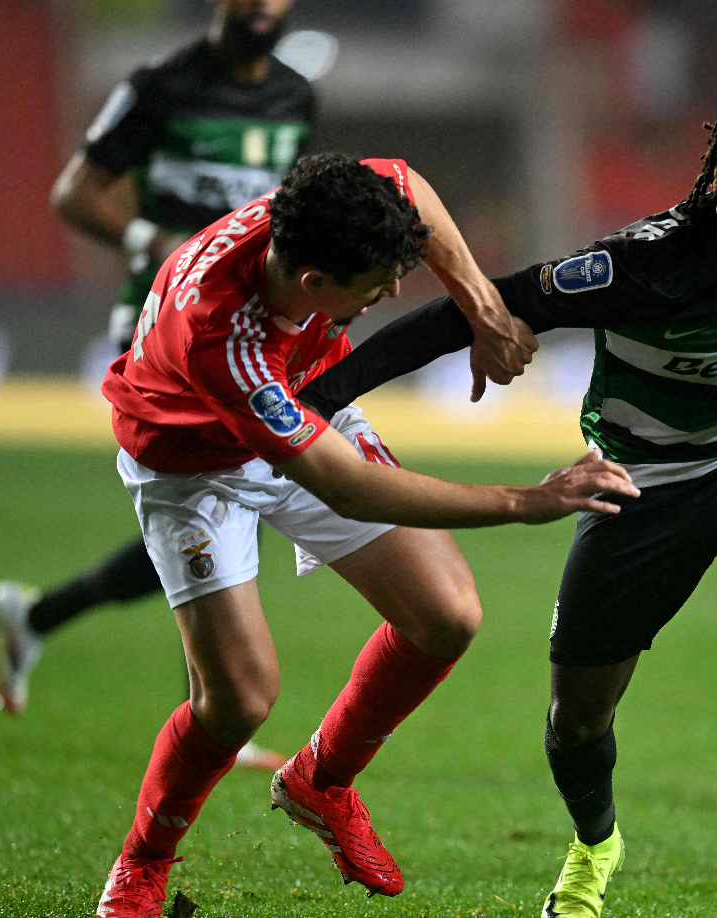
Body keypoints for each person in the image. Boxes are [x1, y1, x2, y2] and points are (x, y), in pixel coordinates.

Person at [300, 101, 717, 918]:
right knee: (578, 719)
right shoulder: (640, 268)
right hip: (647, 481)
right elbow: (477, 307)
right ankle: (595, 845)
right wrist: (323, 396)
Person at [0, 0, 529, 773]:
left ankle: (73, 629)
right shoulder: (158, 87)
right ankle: (216, 704)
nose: (263, 7)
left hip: (286, 310)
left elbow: (358, 196)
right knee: (213, 492)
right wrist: (152, 240)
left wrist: (476, 301)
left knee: (244, 514)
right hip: (184, 330)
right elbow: (74, 190)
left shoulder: (291, 95)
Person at [91, 151, 629, 918]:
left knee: (446, 614)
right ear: (314, 286)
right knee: (239, 700)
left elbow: (408, 181)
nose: (391, 295)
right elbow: (344, 483)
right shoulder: (220, 335)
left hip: (305, 405)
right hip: (190, 464)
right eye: (376, 287)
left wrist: (482, 306)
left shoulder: (318, 214)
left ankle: (322, 779)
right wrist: (526, 500)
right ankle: (142, 864)